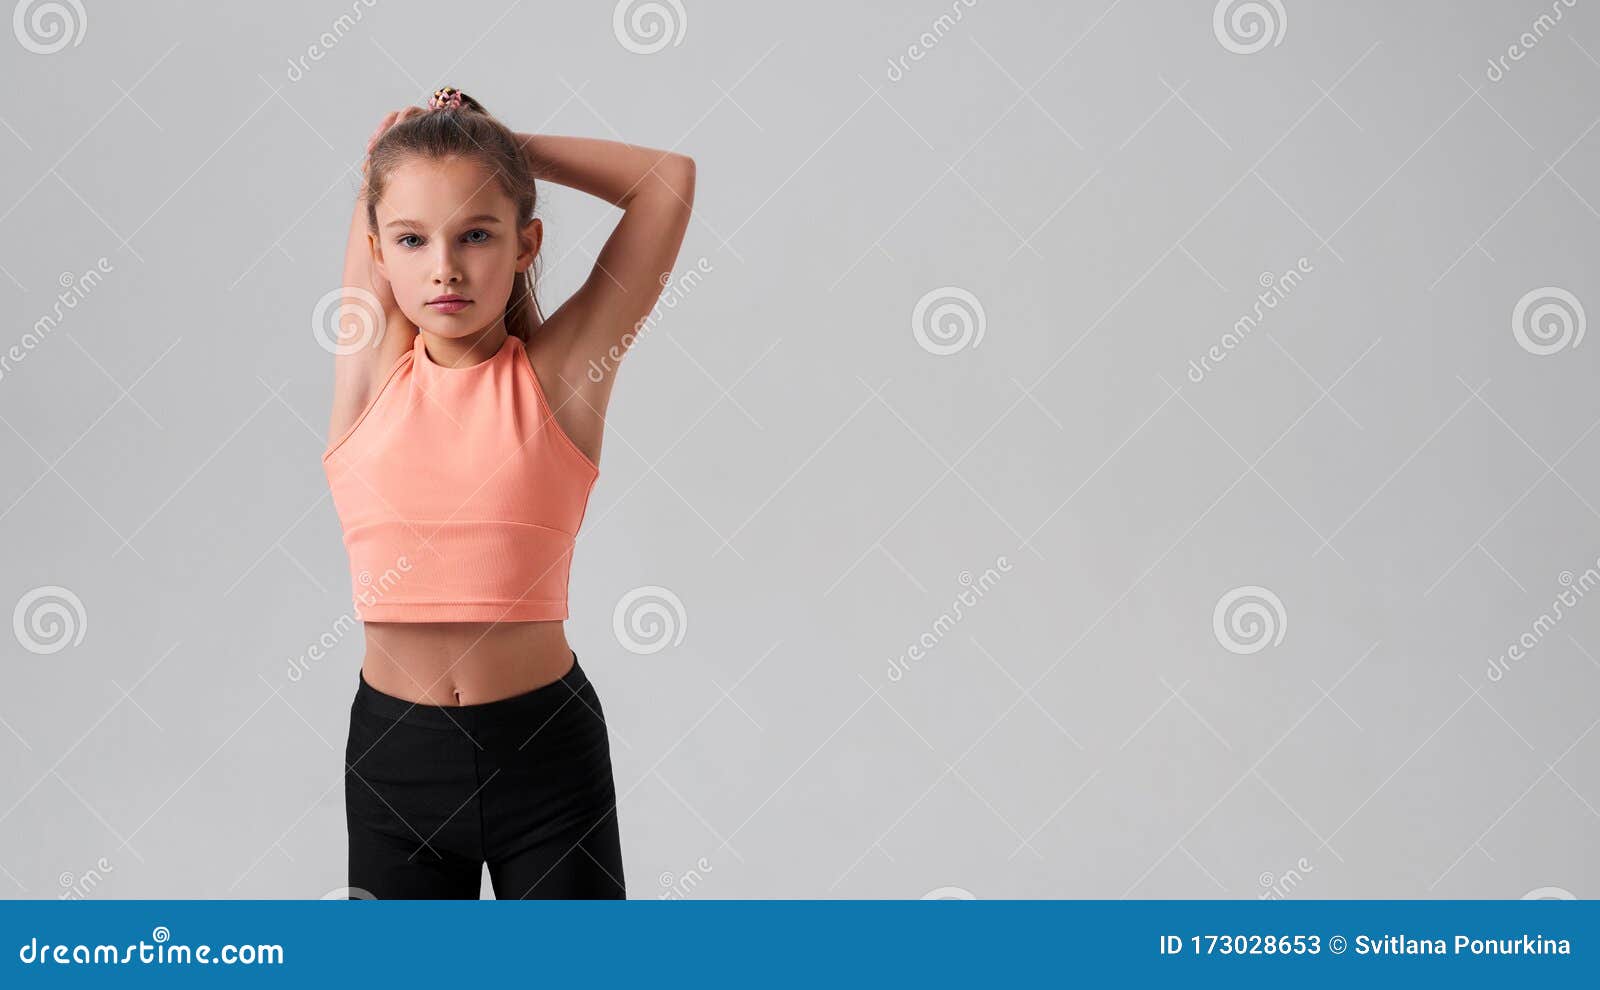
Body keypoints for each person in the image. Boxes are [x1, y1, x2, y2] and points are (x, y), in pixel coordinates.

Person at [321, 86, 695, 898]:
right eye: (413, 240)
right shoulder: (367, 377)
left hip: (546, 761)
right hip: (397, 768)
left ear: (526, 244)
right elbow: (378, 199)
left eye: (477, 234)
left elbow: (667, 181)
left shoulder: (560, 377)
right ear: (379, 254)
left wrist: (506, 146)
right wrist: (404, 162)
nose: (446, 266)